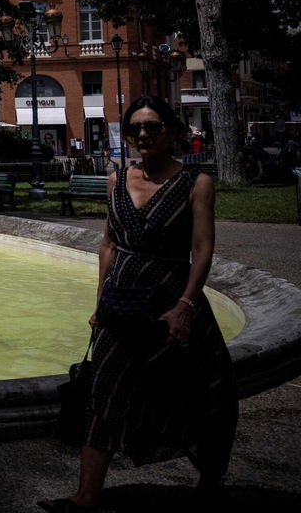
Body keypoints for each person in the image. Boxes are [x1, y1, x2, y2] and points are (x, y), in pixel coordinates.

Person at [38, 96, 237, 513]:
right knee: (104, 392)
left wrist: (185, 305)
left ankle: (210, 480)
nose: (144, 135)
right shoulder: (117, 179)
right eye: (135, 129)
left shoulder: (196, 183)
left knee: (203, 393)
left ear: (172, 130)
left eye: (153, 126)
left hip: (171, 299)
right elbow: (108, 243)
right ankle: (86, 496)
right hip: (122, 301)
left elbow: (202, 249)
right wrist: (100, 302)